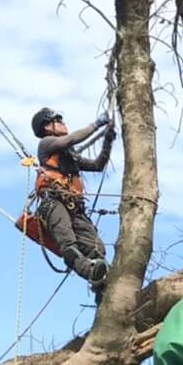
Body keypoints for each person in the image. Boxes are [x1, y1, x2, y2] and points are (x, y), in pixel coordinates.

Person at [31, 107, 116, 295]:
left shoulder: (70, 156)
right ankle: (89, 271)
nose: (63, 123)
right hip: (53, 202)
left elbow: (97, 165)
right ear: (47, 127)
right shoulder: (47, 144)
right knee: (68, 243)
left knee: (97, 248)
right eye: (58, 120)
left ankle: (100, 286)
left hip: (74, 207)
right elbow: (72, 139)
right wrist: (96, 125)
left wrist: (108, 141)